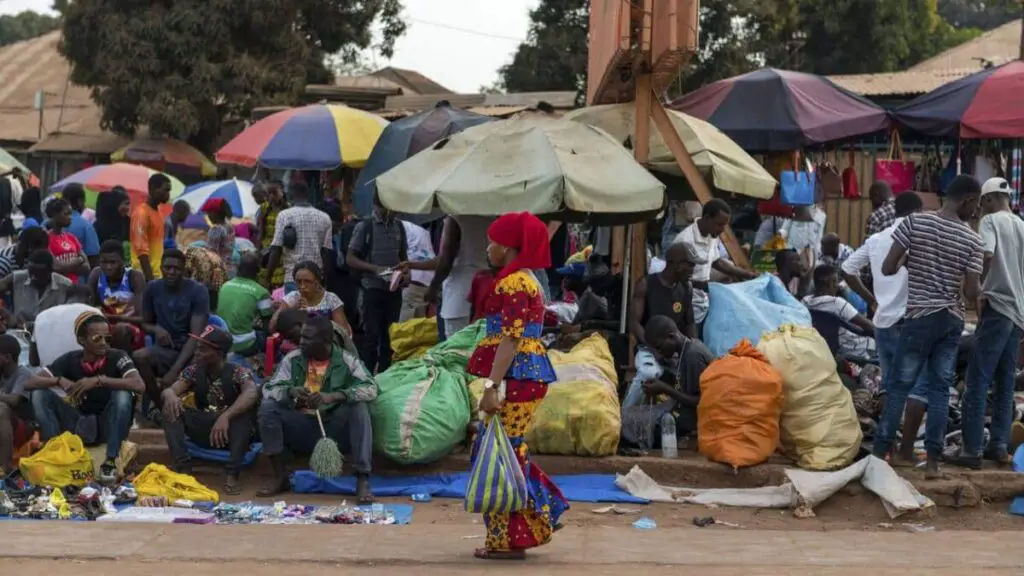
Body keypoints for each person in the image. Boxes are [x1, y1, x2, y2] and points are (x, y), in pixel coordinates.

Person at [466, 212, 568, 560]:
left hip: (516, 378)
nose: (488, 247)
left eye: (492, 241)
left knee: (497, 454)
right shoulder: (528, 280)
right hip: (529, 374)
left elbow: (509, 340)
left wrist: (492, 386)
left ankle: (518, 531)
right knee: (505, 449)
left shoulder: (512, 284)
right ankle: (535, 518)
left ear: (507, 247)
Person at [874, 175, 984, 479]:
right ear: (967, 200)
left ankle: (880, 455)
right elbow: (971, 293)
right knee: (939, 390)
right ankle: (933, 463)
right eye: (975, 204)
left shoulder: (914, 223)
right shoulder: (973, 239)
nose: (976, 211)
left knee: (899, 385)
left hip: (919, 318)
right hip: (951, 320)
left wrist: (910, 261)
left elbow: (887, 267)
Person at [841, 192, 927, 463]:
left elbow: (847, 269)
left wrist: (871, 300)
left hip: (883, 321)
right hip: (910, 321)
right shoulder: (919, 237)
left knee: (890, 385)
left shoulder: (876, 240)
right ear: (918, 211)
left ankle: (883, 448)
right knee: (915, 388)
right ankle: (897, 449)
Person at [258, 317, 377, 501]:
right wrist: (290, 392)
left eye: (308, 338)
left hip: (335, 430)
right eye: (302, 337)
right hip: (302, 427)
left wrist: (335, 396)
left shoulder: (348, 360)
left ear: (326, 341)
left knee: (359, 407)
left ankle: (362, 478)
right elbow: (269, 388)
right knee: (268, 407)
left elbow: (371, 388)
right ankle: (280, 476)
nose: (301, 342)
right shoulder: (293, 359)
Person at [954, 177, 1024, 469]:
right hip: (1018, 312)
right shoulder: (1021, 224)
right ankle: (998, 446)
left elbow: (986, 254)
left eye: (983, 204)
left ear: (990, 200)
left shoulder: (990, 222)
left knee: (978, 380)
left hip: (996, 306)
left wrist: (977, 288)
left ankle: (970, 449)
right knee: (1006, 382)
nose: (980, 210)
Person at [25, 310, 144, 481]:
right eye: (97, 338)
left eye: (107, 338)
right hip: (78, 422)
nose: (104, 343)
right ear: (82, 340)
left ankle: (109, 462)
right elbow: (29, 383)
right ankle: (55, 452)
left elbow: (139, 385)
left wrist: (98, 380)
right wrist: (58, 380)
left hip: (107, 424)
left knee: (123, 394)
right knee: (39, 394)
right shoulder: (70, 359)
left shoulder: (118, 357)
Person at [153, 326, 258, 494]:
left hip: (232, 433)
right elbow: (170, 390)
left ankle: (232, 474)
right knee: (170, 410)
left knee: (242, 418)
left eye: (202, 349)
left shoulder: (239, 371)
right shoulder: (193, 371)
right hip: (205, 428)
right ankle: (183, 467)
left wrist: (226, 416)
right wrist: (170, 395)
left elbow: (251, 393)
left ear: (217, 352)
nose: (196, 352)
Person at [135, 249, 210, 410]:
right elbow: (145, 323)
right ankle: (159, 404)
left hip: (192, 352)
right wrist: (157, 330)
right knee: (139, 356)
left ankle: (190, 407)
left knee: (199, 367)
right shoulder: (152, 288)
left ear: (184, 270)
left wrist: (174, 371)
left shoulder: (198, 291)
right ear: (161, 267)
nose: (171, 272)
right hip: (165, 350)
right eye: (167, 267)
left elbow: (195, 336)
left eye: (176, 268)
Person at [673, 199, 758, 333]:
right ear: (707, 218)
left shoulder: (711, 235)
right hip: (685, 307)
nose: (722, 230)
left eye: (724, 225)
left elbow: (717, 261)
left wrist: (746, 274)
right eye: (719, 225)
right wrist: (705, 285)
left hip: (703, 303)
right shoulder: (685, 241)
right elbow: (675, 277)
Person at [347, 195, 407, 374]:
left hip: (393, 289)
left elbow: (403, 256)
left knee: (390, 336)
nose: (392, 211)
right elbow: (351, 258)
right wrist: (375, 269)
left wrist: (405, 273)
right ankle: (366, 376)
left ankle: (385, 374)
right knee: (371, 336)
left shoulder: (399, 226)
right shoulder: (365, 227)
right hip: (371, 288)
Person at [641, 315, 714, 436]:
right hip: (686, 413)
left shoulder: (692, 356)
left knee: (644, 429)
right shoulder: (686, 350)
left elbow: (701, 401)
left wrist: (665, 389)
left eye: (659, 347)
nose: (659, 353)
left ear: (671, 336)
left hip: (698, 419)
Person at [426, 215, 492, 339]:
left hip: (458, 296)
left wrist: (433, 287)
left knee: (456, 350)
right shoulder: (492, 218)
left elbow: (446, 260)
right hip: (486, 293)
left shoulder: (455, 219)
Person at [266, 181, 331, 292]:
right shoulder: (325, 217)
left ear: (291, 195)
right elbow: (326, 253)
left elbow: (276, 249)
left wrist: (268, 277)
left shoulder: (284, 216)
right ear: (308, 195)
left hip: (293, 278)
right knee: (313, 309)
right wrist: (325, 280)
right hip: (314, 279)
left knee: (293, 309)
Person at [630, 242, 700, 344]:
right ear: (677, 265)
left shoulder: (686, 287)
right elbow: (634, 323)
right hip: (650, 347)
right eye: (690, 265)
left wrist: (693, 346)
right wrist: (653, 348)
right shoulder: (646, 284)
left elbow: (690, 323)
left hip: (675, 348)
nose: (693, 270)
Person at [802, 265, 875, 358]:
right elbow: (868, 326)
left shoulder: (805, 301)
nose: (838, 286)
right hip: (853, 348)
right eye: (836, 282)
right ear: (828, 283)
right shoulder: (837, 303)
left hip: (824, 346)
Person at [88, 240, 147, 351]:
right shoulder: (96, 275)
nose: (108, 267)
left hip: (131, 328)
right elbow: (89, 309)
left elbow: (142, 318)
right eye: (104, 262)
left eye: (113, 262)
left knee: (121, 328)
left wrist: (113, 318)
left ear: (123, 262)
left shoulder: (134, 277)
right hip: (103, 326)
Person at [271, 260, 352, 336]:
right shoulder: (293, 298)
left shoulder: (331, 299)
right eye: (299, 281)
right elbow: (272, 327)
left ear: (317, 283)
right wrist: (292, 311)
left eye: (307, 281)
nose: (302, 286)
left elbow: (343, 333)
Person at [0, 250, 73, 329]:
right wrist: (8, 314)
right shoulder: (17, 278)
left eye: (38, 273)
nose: (32, 277)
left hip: (53, 331)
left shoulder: (65, 285)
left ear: (50, 271)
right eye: (30, 272)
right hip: (20, 332)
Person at [218, 252, 274, 355]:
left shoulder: (225, 285)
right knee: (268, 337)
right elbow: (268, 324)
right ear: (258, 270)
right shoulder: (261, 292)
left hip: (221, 341)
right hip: (243, 345)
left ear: (238, 268)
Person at [30, 285, 98, 368]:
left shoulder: (41, 316)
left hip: (49, 375)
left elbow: (33, 361)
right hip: (84, 374)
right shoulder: (94, 312)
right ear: (90, 299)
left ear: (66, 299)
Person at [0, 334, 32, 476]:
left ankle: (5, 467)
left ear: (7, 358)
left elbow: (15, 400)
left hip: (22, 428)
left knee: (2, 408)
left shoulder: (23, 374)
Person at [131, 173, 172, 281]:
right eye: (165, 190)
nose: (168, 194)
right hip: (143, 275)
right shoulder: (141, 213)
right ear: (153, 189)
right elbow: (141, 251)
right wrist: (150, 279)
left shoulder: (158, 213)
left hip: (157, 274)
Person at [398, 220, 436, 322]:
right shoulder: (416, 229)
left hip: (413, 281)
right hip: (427, 282)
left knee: (404, 330)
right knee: (420, 328)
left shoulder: (396, 228)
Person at [45, 197, 89, 283]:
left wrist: (65, 268)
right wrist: (79, 261)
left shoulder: (71, 237)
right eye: (66, 214)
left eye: (70, 214)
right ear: (54, 215)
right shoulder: (45, 239)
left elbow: (87, 267)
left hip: (74, 288)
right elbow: (56, 268)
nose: (70, 217)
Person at [59, 183, 101, 268]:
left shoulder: (47, 223)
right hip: (78, 279)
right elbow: (94, 258)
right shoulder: (86, 226)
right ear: (80, 201)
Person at [257, 181, 287, 288]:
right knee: (264, 281)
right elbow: (260, 230)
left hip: (282, 250)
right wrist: (258, 249)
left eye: (271, 193)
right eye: (267, 194)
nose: (268, 197)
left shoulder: (287, 209)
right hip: (266, 249)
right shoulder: (264, 207)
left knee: (278, 284)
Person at [202, 198, 236, 277]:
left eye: (208, 213)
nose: (208, 216)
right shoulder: (229, 227)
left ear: (214, 213)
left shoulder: (216, 230)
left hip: (218, 271)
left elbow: (211, 254)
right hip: (230, 268)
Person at [93, 187, 131, 253]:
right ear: (115, 205)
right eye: (126, 204)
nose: (128, 208)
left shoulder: (128, 222)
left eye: (129, 204)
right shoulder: (98, 226)